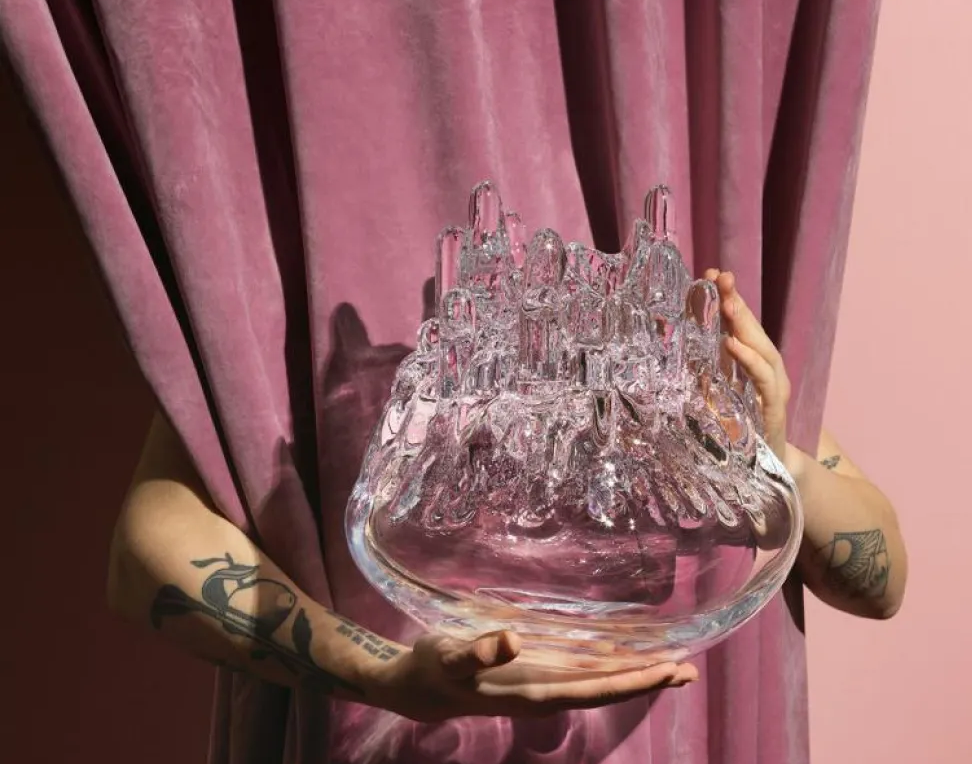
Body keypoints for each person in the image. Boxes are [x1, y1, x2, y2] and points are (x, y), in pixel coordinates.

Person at [107, 271, 907, 720]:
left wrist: (771, 459)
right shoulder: (292, 266)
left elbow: (882, 586)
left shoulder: (671, 292)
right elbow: (145, 550)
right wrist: (385, 676)